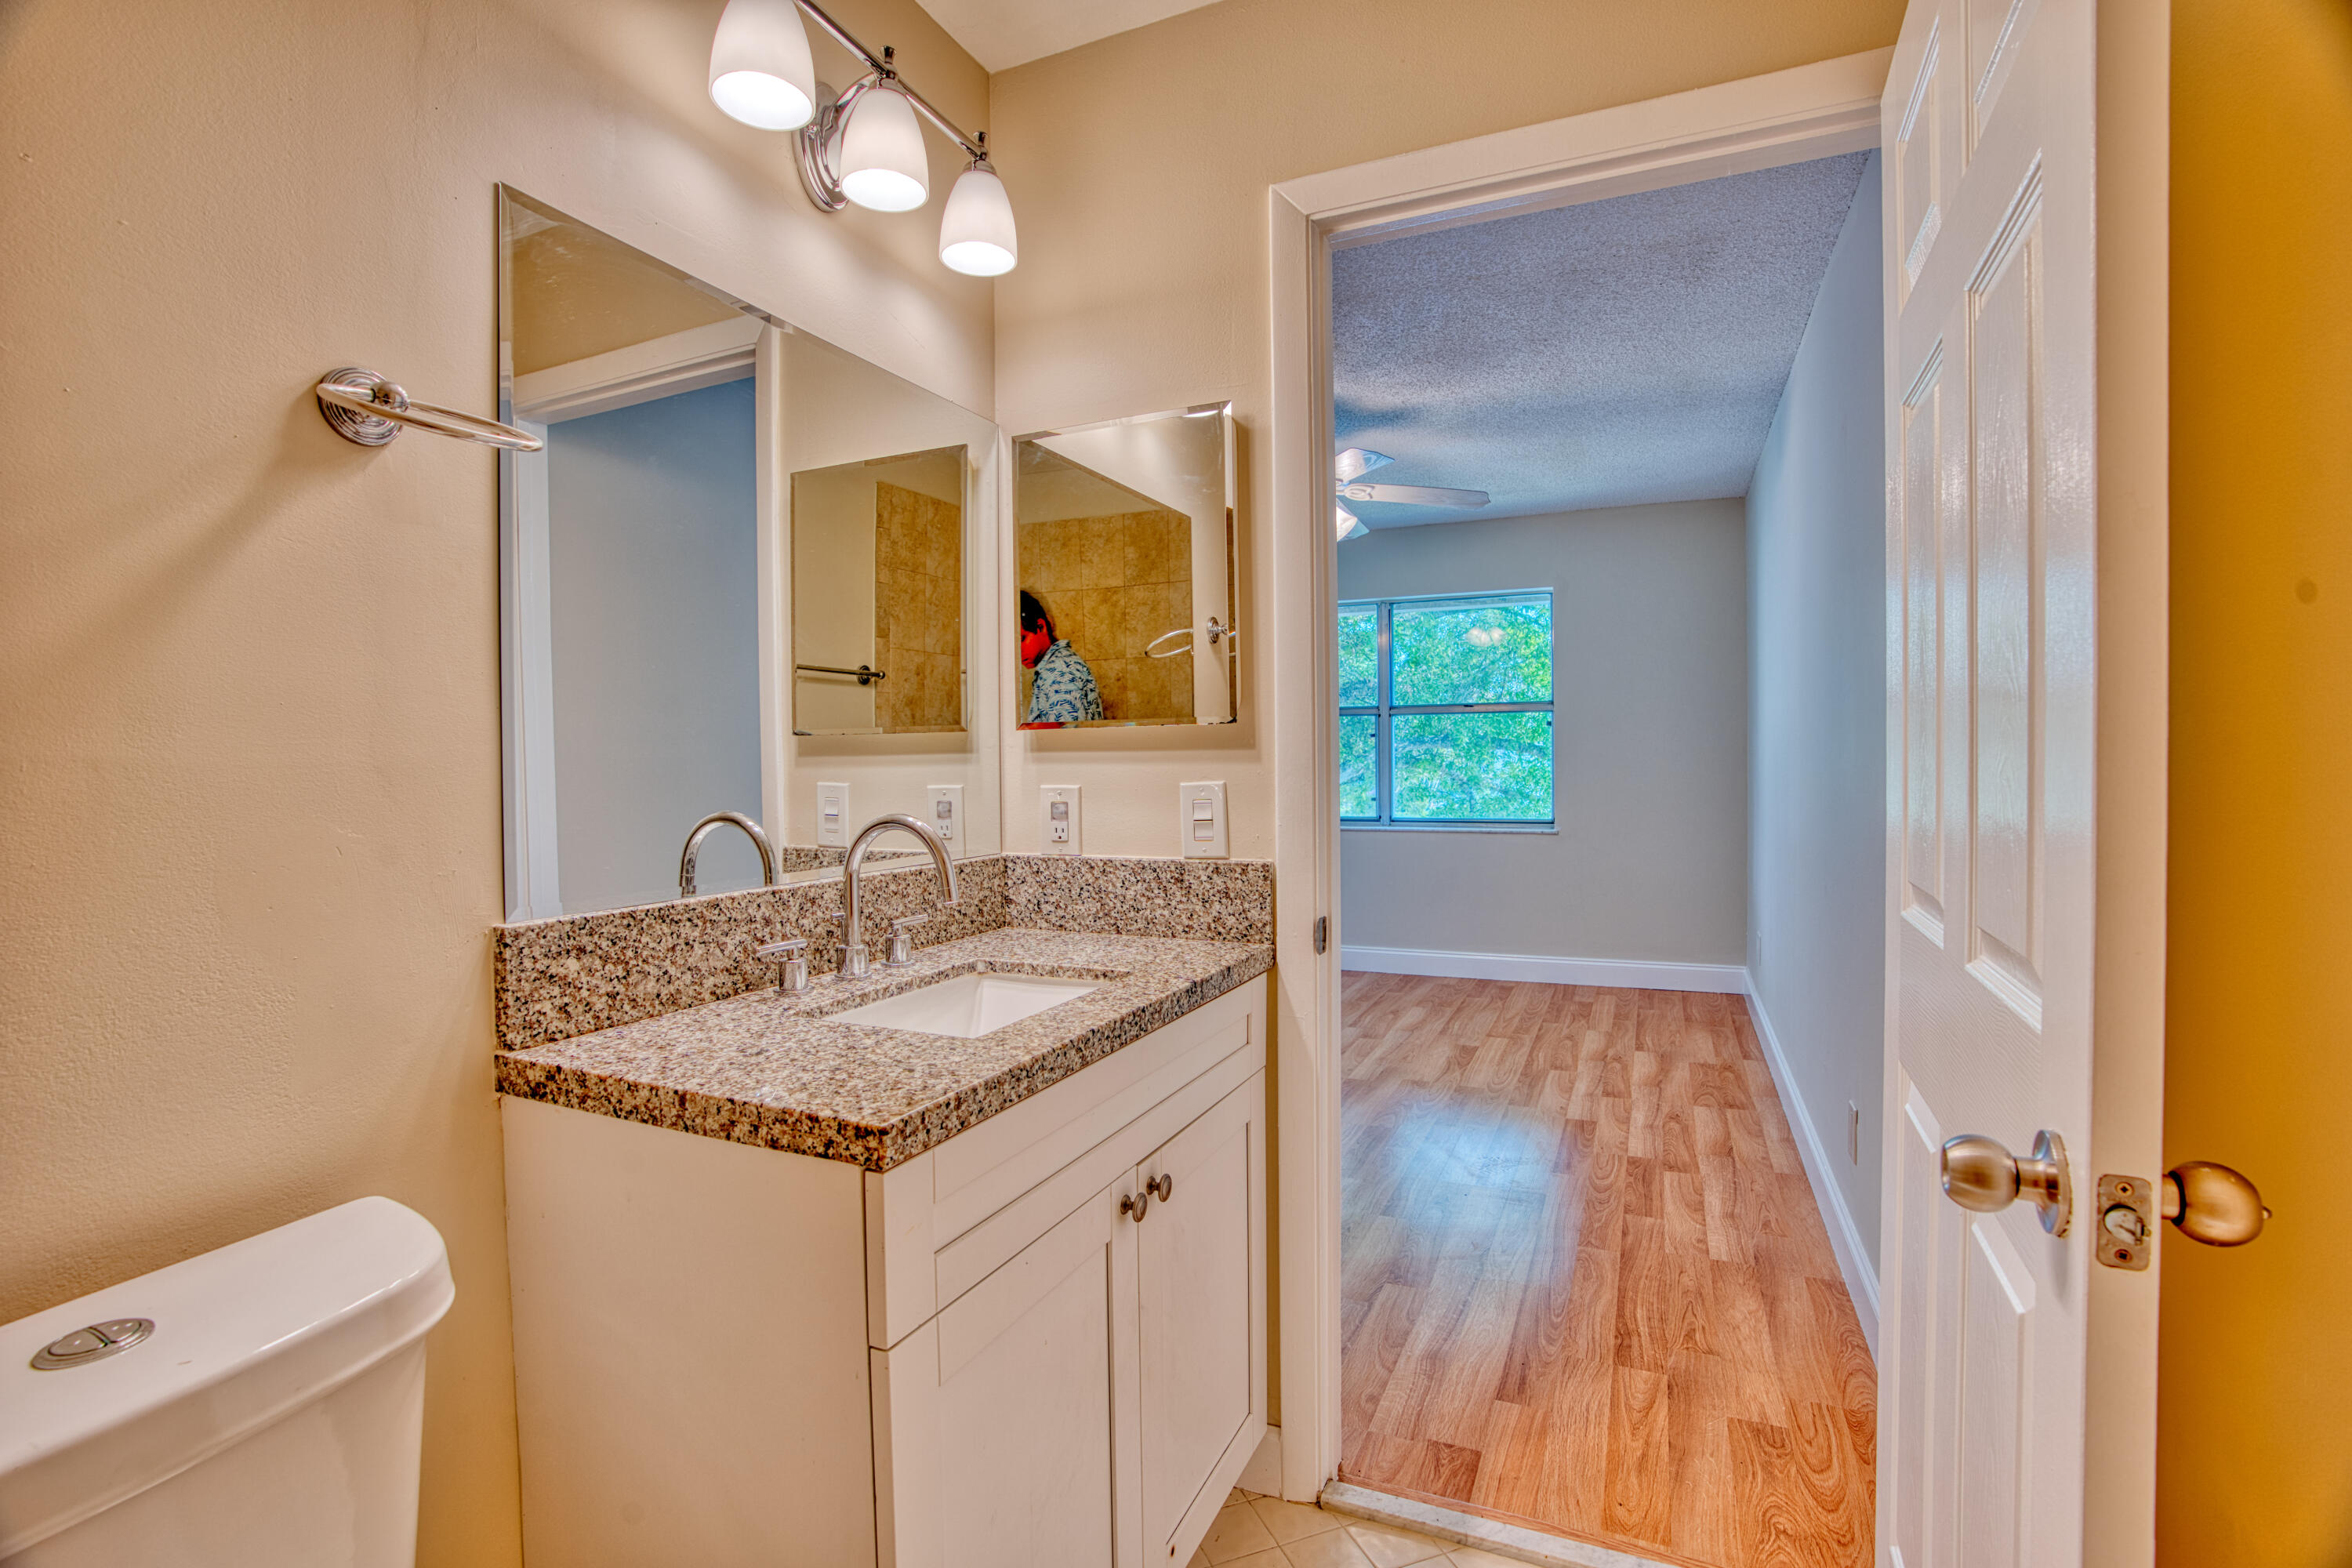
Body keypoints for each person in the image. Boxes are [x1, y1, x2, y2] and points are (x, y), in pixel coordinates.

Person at [1018, 590, 1102, 726]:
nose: (1017, 651)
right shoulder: (1061, 663)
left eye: (1022, 639)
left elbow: (1066, 741)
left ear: (1041, 627)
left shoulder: (1060, 674)